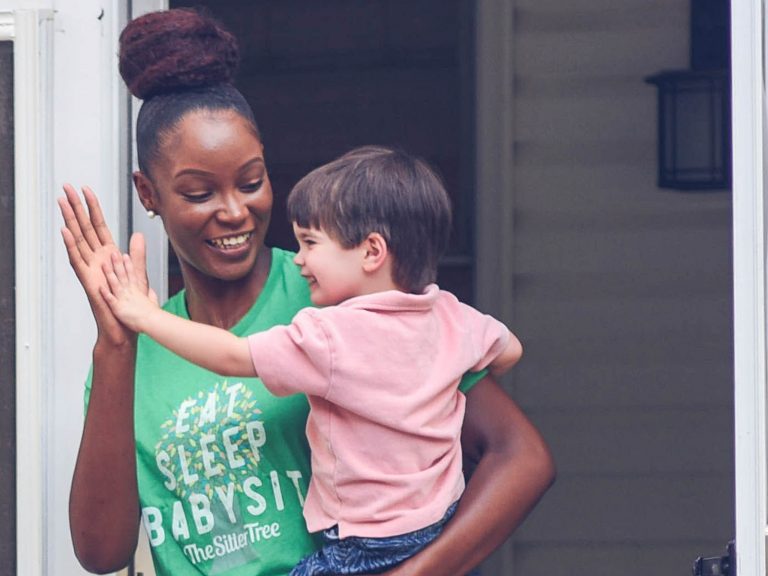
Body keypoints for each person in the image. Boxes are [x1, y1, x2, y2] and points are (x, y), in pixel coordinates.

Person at [59, 8, 555, 576]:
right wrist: (119, 343)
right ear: (148, 194)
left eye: (251, 181)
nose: (234, 210)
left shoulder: (341, 298)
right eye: (198, 193)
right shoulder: (137, 345)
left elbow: (521, 456)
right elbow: (101, 553)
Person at [98, 145, 525, 575]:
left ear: (371, 252)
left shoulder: (331, 336)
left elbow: (233, 355)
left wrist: (147, 317)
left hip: (364, 544)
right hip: (438, 523)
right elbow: (509, 352)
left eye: (310, 243)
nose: (299, 259)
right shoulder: (453, 316)